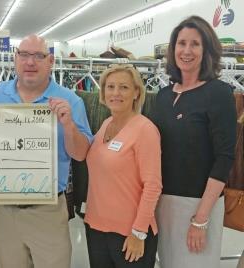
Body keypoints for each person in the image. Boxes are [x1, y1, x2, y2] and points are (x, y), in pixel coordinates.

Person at [0, 34, 93, 268]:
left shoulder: (71, 101)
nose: (30, 62)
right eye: (24, 55)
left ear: (51, 62)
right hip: (3, 211)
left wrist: (68, 125)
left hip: (47, 210)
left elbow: (81, 154)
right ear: (15, 58)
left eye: (38, 56)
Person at [152, 15, 237, 268]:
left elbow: (224, 158)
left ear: (207, 50)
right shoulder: (163, 95)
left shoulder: (219, 94)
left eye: (195, 44)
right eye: (181, 43)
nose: (186, 51)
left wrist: (201, 218)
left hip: (199, 204)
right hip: (162, 203)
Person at [84, 64, 162, 268]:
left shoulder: (145, 130)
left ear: (136, 92)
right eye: (110, 87)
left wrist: (138, 231)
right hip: (96, 228)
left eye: (124, 87)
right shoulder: (105, 124)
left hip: (129, 232)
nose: (115, 93)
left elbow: (153, 186)